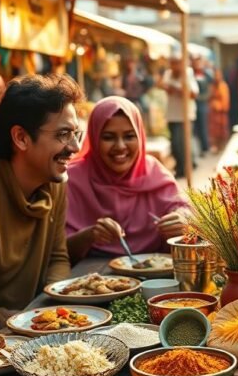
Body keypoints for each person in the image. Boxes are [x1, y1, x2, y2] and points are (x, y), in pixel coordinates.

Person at [0, 74, 80, 326]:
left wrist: (57, 312)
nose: (74, 147)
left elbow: (57, 257)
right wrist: (27, 326)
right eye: (63, 134)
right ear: (21, 137)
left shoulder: (52, 179)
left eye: (76, 133)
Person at [65, 97, 186, 260]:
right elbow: (56, 251)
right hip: (88, 279)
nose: (120, 146)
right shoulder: (72, 180)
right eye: (108, 137)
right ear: (94, 138)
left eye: (129, 136)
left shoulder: (153, 172)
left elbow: (185, 209)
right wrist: (88, 236)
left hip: (155, 277)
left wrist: (182, 220)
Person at [161, 56, 199, 179]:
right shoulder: (168, 74)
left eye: (176, 63)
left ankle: (185, 167)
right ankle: (183, 165)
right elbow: (163, 86)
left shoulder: (188, 73)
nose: (174, 66)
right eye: (172, 64)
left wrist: (178, 90)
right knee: (175, 143)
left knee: (182, 142)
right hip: (172, 114)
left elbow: (193, 94)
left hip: (185, 115)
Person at [192, 55, 213, 156]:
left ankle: (205, 148)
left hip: (202, 105)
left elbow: (210, 90)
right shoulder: (191, 73)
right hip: (193, 105)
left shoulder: (206, 74)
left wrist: (201, 97)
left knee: (203, 127)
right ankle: (197, 150)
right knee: (194, 129)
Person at [207, 65, 230, 152]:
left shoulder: (223, 86)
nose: (216, 77)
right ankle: (216, 147)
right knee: (214, 133)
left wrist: (218, 105)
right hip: (213, 114)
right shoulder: (212, 86)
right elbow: (209, 98)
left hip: (221, 114)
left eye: (218, 75)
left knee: (222, 132)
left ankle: (222, 148)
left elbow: (225, 102)